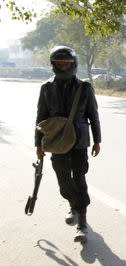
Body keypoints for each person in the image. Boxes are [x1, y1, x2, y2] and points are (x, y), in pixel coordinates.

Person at [35, 46, 101, 243]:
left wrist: (97, 140)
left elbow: (93, 115)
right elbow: (41, 117)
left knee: (79, 179)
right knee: (63, 181)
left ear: (73, 64)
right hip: (56, 142)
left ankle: (82, 221)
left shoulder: (85, 87)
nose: (63, 66)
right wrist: (38, 144)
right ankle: (72, 204)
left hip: (79, 142)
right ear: (53, 64)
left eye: (67, 63)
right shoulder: (46, 88)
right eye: (59, 63)